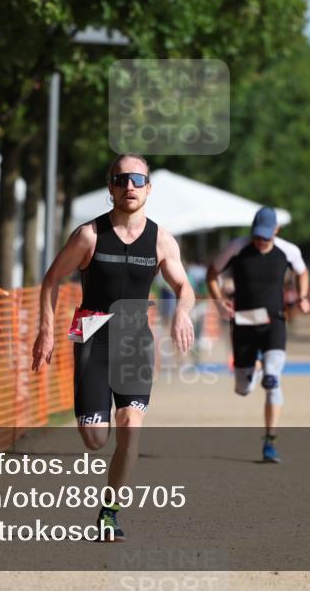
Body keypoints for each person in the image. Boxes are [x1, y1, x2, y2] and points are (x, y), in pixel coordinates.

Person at [31, 153, 195, 541]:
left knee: (130, 426)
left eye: (138, 180)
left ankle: (110, 511)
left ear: (149, 188)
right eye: (122, 180)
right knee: (95, 439)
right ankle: (92, 421)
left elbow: (185, 288)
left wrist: (184, 313)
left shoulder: (161, 239)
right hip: (90, 332)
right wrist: (46, 331)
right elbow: (51, 279)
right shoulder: (88, 235)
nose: (130, 187)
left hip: (135, 336)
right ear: (111, 187)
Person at [206, 206, 309, 463]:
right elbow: (212, 273)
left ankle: (270, 442)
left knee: (273, 381)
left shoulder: (288, 250)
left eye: (266, 236)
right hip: (244, 322)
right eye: (257, 235)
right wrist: (219, 301)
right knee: (243, 389)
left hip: (274, 320)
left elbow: (302, 271)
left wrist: (303, 296)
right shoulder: (237, 248)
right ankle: (257, 370)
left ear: (276, 230)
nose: (260, 241)